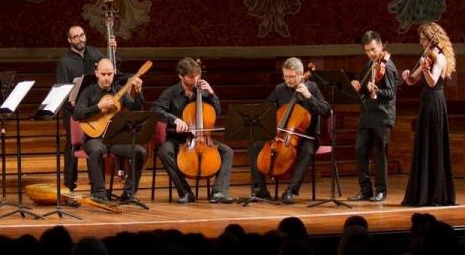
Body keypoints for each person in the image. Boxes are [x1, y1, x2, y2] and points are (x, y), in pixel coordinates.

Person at [151, 57, 235, 203]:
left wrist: (212, 94)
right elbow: (156, 109)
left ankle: (218, 192)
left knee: (227, 151)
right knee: (164, 151)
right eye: (191, 77)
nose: (195, 79)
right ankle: (185, 192)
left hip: (202, 138)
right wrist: (174, 119)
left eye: (197, 76)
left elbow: (217, 111)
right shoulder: (171, 93)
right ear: (181, 76)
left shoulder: (203, 92)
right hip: (177, 139)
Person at [248, 57, 330, 204]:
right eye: (285, 76)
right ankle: (260, 190)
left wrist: (309, 96)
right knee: (255, 147)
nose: (288, 80)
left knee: (307, 151)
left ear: (301, 75)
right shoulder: (280, 89)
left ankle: (291, 191)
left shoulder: (312, 88)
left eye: (292, 77)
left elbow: (326, 111)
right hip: (282, 136)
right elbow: (266, 110)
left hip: (307, 137)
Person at [72, 58, 145, 202]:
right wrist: (98, 107)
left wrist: (139, 92)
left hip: (115, 139)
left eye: (109, 74)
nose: (107, 78)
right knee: (96, 150)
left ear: (114, 73)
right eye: (103, 74)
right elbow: (77, 114)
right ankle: (99, 193)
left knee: (140, 152)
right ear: (96, 73)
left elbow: (135, 109)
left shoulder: (119, 90)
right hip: (94, 138)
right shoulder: (88, 91)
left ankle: (129, 193)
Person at [401, 22, 456, 206]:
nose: (421, 41)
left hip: (435, 102)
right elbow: (412, 80)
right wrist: (407, 76)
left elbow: (432, 82)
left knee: (434, 144)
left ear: (432, 38)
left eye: (423, 38)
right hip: (425, 103)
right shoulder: (427, 56)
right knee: (424, 143)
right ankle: (422, 192)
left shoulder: (439, 58)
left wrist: (425, 70)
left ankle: (436, 194)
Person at [56, 25, 116, 191]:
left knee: (95, 144)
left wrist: (113, 51)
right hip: (73, 110)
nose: (79, 39)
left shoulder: (95, 53)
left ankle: (96, 184)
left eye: (81, 35)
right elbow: (62, 87)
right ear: (69, 40)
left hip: (94, 108)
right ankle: (69, 184)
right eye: (75, 37)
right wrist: (71, 100)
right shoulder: (64, 61)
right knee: (72, 144)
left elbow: (110, 68)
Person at [348, 31, 398, 203]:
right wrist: (356, 85)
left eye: (373, 49)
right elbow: (361, 85)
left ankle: (381, 191)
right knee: (359, 150)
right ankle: (365, 190)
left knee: (379, 154)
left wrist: (377, 90)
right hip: (367, 115)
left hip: (383, 116)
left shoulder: (388, 66)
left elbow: (391, 93)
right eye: (367, 50)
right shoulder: (369, 64)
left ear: (381, 45)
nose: (371, 53)